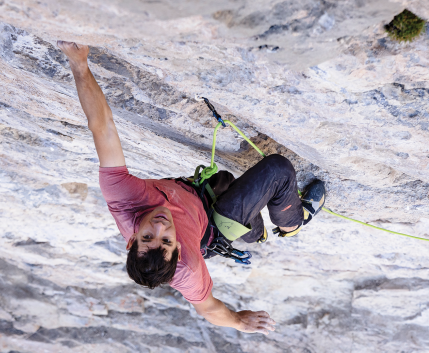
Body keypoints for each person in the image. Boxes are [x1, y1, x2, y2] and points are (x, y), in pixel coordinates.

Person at [57, 41, 326, 335]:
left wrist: (79, 64)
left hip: (202, 193)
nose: (160, 227)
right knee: (277, 171)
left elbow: (102, 126)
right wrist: (238, 321)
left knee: (228, 188)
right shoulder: (187, 269)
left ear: (131, 240)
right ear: (178, 250)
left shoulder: (124, 199)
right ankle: (292, 224)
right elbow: (208, 308)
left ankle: (255, 230)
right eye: (168, 241)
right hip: (214, 225)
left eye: (148, 236)